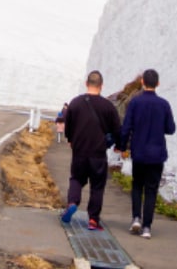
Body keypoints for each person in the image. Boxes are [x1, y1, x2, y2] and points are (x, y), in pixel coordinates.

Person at [59, 70, 122, 232]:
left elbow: (68, 125)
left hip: (80, 150)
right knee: (97, 186)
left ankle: (72, 203)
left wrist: (71, 139)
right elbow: (117, 129)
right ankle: (93, 220)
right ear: (101, 86)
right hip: (98, 153)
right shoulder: (108, 106)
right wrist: (119, 145)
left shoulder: (75, 103)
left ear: (87, 84)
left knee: (76, 179)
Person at [117, 68, 176, 238]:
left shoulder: (135, 103)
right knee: (151, 190)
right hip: (157, 154)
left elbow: (126, 127)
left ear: (142, 82)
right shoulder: (164, 104)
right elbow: (170, 129)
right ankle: (147, 228)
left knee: (137, 185)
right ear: (157, 84)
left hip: (139, 152)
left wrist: (122, 147)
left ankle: (136, 218)